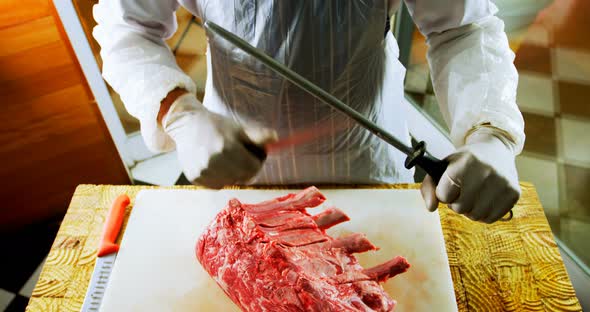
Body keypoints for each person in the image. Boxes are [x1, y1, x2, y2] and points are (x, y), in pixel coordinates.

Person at [93, 0, 525, 223]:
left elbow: (461, 27)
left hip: (370, 165)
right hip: (237, 168)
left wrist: (491, 133)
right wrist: (178, 112)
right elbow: (127, 28)